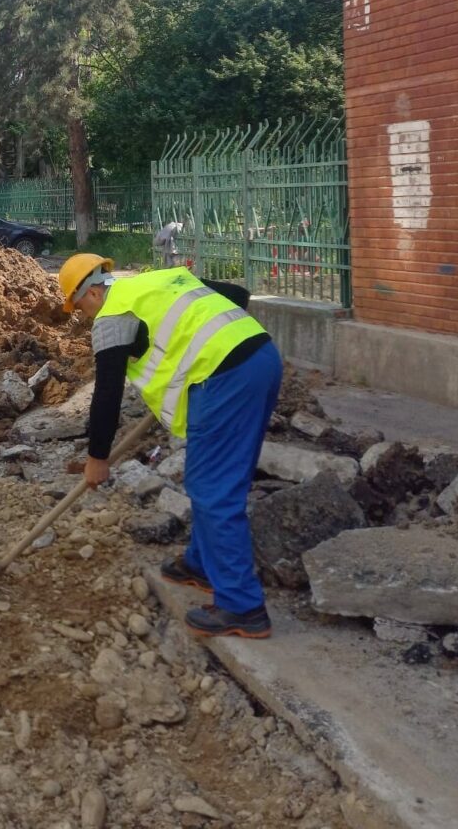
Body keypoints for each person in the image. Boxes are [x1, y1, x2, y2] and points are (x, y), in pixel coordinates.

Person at [59, 254, 283, 639]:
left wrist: (97, 459)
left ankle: (242, 606)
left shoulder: (112, 318)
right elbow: (236, 296)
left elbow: (107, 395)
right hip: (260, 357)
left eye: (80, 308)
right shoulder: (156, 281)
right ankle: (202, 564)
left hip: (224, 378)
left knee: (213, 488)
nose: (85, 317)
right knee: (211, 478)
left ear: (92, 293)